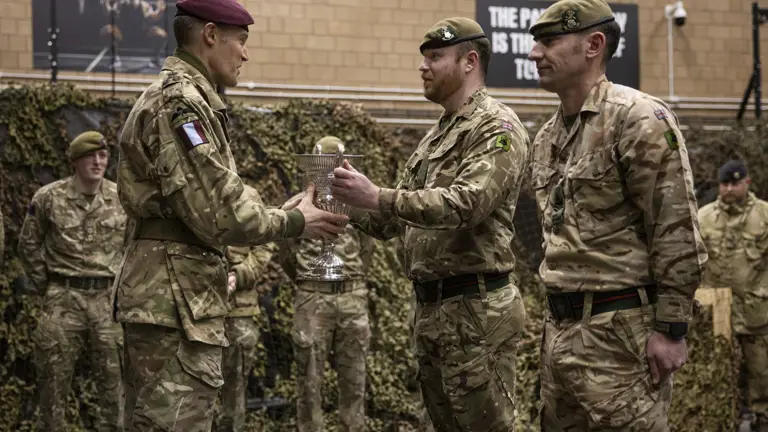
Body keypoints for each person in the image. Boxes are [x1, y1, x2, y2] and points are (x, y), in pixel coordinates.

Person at [112, 0, 348, 430]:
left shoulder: (184, 98)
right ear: (210, 35)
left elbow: (209, 203)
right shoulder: (181, 102)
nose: (245, 54)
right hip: (174, 299)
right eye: (240, 40)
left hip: (174, 294)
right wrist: (296, 221)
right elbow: (220, 213)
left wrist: (279, 212)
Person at [330, 18, 530, 431]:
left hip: (477, 311)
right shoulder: (435, 137)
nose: (423, 66)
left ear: (469, 61)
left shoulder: (497, 126)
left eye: (435, 57)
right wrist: (341, 204)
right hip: (433, 311)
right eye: (424, 58)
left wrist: (378, 195)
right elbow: (391, 222)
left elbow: (469, 204)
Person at [525, 0, 708, 429]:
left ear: (593, 45)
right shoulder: (547, 137)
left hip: (621, 339)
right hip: (560, 335)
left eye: (549, 42)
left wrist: (672, 328)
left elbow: (676, 229)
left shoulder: (638, 118)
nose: (534, 53)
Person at [18, 131, 127, 432]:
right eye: (90, 156)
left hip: (107, 303)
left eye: (102, 155)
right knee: (52, 389)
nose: (97, 161)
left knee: (115, 392)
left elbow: (133, 248)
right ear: (75, 161)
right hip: (63, 299)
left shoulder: (122, 199)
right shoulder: (48, 198)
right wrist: (48, 286)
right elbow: (28, 245)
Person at [278, 136, 376, 432]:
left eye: (335, 164)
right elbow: (286, 252)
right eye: (324, 164)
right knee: (308, 381)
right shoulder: (297, 206)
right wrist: (307, 279)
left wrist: (353, 279)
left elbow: (367, 248)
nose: (330, 170)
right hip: (312, 298)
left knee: (355, 380)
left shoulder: (357, 205)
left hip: (351, 296)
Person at [698, 160, 768, 432]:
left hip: (756, 311)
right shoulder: (704, 217)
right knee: (718, 372)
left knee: (761, 372)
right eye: (725, 183)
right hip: (716, 315)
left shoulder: (764, 215)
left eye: (735, 183)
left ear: (747, 183)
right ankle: (723, 419)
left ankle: (761, 419)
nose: (729, 188)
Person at [216, 185, 276, 432]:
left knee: (234, 389)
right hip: (191, 309)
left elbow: (264, 242)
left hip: (238, 310)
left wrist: (240, 275)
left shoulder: (248, 194)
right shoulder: (186, 189)